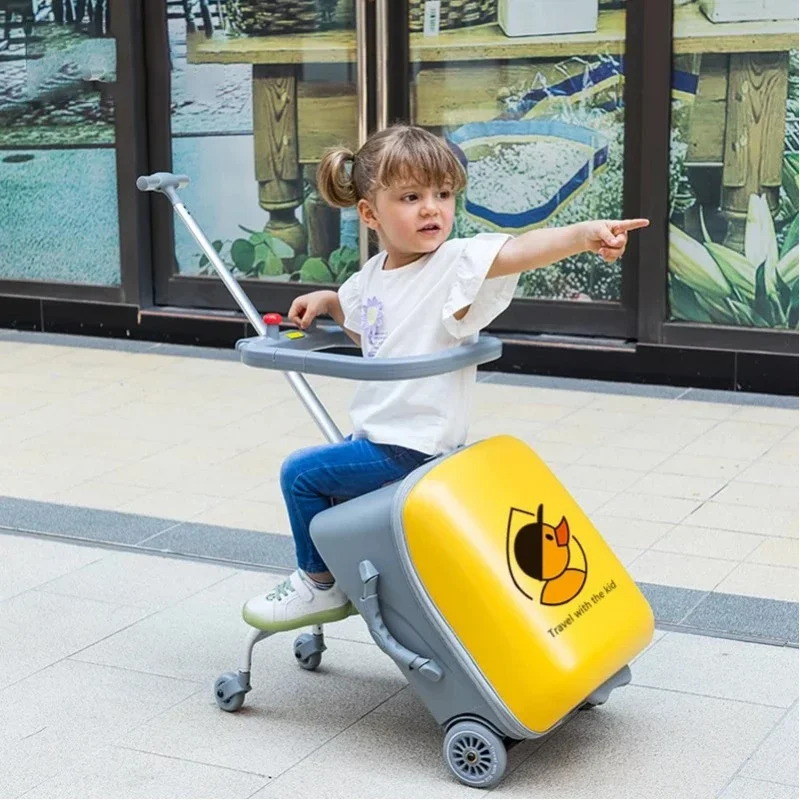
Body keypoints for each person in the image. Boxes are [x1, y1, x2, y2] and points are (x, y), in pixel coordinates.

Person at [242, 124, 648, 631]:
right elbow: (373, 332)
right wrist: (329, 303)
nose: (432, 208)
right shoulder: (369, 278)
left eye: (443, 194)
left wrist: (582, 236)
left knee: (300, 474)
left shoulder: (455, 264)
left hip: (411, 446)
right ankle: (346, 573)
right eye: (411, 197)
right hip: (379, 437)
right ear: (370, 213)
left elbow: (521, 250)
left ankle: (318, 584)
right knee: (328, 488)